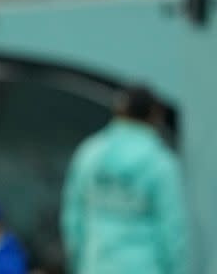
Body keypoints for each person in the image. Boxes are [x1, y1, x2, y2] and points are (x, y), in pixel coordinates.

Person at [61, 85, 190, 274]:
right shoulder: (160, 162)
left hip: (95, 264)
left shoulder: (90, 153)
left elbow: (73, 219)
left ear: (119, 111)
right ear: (154, 116)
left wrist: (77, 263)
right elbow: (173, 230)